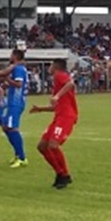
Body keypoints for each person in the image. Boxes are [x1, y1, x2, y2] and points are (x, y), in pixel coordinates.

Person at [30, 59, 78, 189]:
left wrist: (57, 96)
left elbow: (70, 84)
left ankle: (65, 175)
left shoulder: (59, 76)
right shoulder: (57, 81)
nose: (49, 68)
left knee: (53, 145)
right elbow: (56, 107)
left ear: (55, 67)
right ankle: (60, 173)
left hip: (66, 117)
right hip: (59, 117)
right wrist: (40, 109)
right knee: (42, 146)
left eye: (50, 65)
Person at [0, 49, 29, 168]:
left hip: (16, 102)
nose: (9, 56)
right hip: (13, 102)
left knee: (12, 128)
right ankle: (17, 154)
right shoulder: (18, 68)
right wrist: (7, 84)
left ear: (15, 56)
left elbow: (19, 84)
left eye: (11, 55)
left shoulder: (18, 68)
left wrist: (7, 80)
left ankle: (22, 157)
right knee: (5, 127)